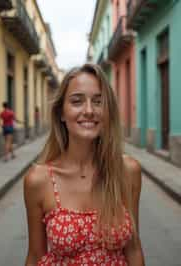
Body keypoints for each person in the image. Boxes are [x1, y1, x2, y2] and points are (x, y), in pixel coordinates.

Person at [24, 63, 145, 265]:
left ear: (107, 112)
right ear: (61, 113)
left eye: (98, 102)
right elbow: (36, 256)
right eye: (77, 101)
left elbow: (133, 249)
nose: (89, 110)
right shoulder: (38, 180)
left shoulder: (128, 171)